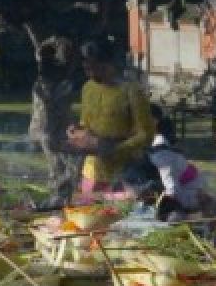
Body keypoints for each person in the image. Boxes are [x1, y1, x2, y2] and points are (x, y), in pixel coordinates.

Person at [66, 40, 155, 196]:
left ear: (108, 64)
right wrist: (77, 132)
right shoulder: (88, 88)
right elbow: (86, 124)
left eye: (92, 66)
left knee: (116, 216)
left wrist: (115, 150)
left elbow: (146, 135)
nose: (87, 70)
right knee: (88, 216)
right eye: (86, 67)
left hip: (123, 174)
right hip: (91, 171)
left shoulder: (131, 91)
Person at [28, 37, 81, 208]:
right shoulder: (50, 83)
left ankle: (61, 198)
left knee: (62, 165)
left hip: (52, 129)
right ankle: (60, 198)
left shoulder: (44, 82)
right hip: (52, 130)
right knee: (61, 165)